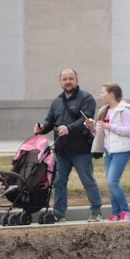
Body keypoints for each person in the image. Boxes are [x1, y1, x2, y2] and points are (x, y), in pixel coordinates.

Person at [34, 68, 103, 222]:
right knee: (59, 183)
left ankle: (96, 212)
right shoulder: (57, 101)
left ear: (76, 80)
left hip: (81, 151)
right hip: (61, 151)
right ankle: (59, 214)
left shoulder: (86, 99)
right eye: (64, 79)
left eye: (71, 78)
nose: (68, 82)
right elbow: (50, 121)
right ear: (60, 82)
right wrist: (42, 128)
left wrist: (69, 128)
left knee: (88, 181)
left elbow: (86, 119)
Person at [84, 83, 130, 222]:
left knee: (113, 181)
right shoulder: (104, 110)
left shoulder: (124, 109)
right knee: (110, 183)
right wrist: (92, 128)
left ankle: (126, 211)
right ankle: (117, 213)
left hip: (122, 149)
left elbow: (129, 130)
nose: (101, 95)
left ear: (112, 94)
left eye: (103, 92)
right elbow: (101, 133)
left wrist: (110, 126)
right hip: (109, 150)